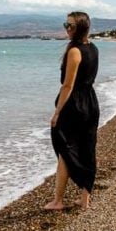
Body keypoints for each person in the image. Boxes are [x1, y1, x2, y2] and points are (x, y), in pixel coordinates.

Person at [44, 11, 100, 211]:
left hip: (74, 105)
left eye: (70, 26)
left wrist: (57, 112)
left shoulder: (74, 51)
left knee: (65, 150)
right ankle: (85, 198)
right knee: (87, 147)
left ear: (80, 28)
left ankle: (58, 200)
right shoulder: (93, 48)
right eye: (65, 25)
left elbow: (68, 86)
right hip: (91, 103)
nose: (67, 29)